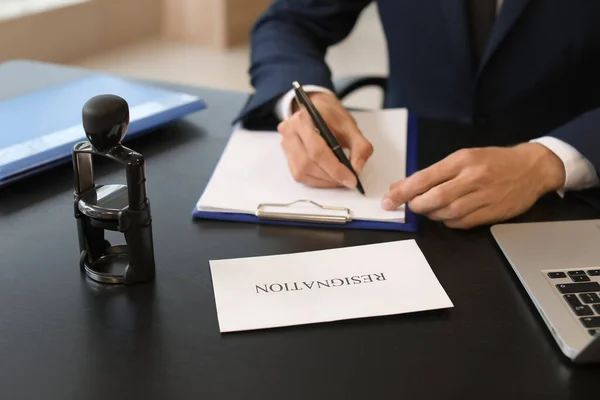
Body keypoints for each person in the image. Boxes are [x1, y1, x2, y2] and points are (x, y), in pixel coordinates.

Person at [235, 0, 600, 229]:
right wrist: (308, 99)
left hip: (569, 204)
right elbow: (288, 22)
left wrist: (545, 163)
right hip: (404, 197)